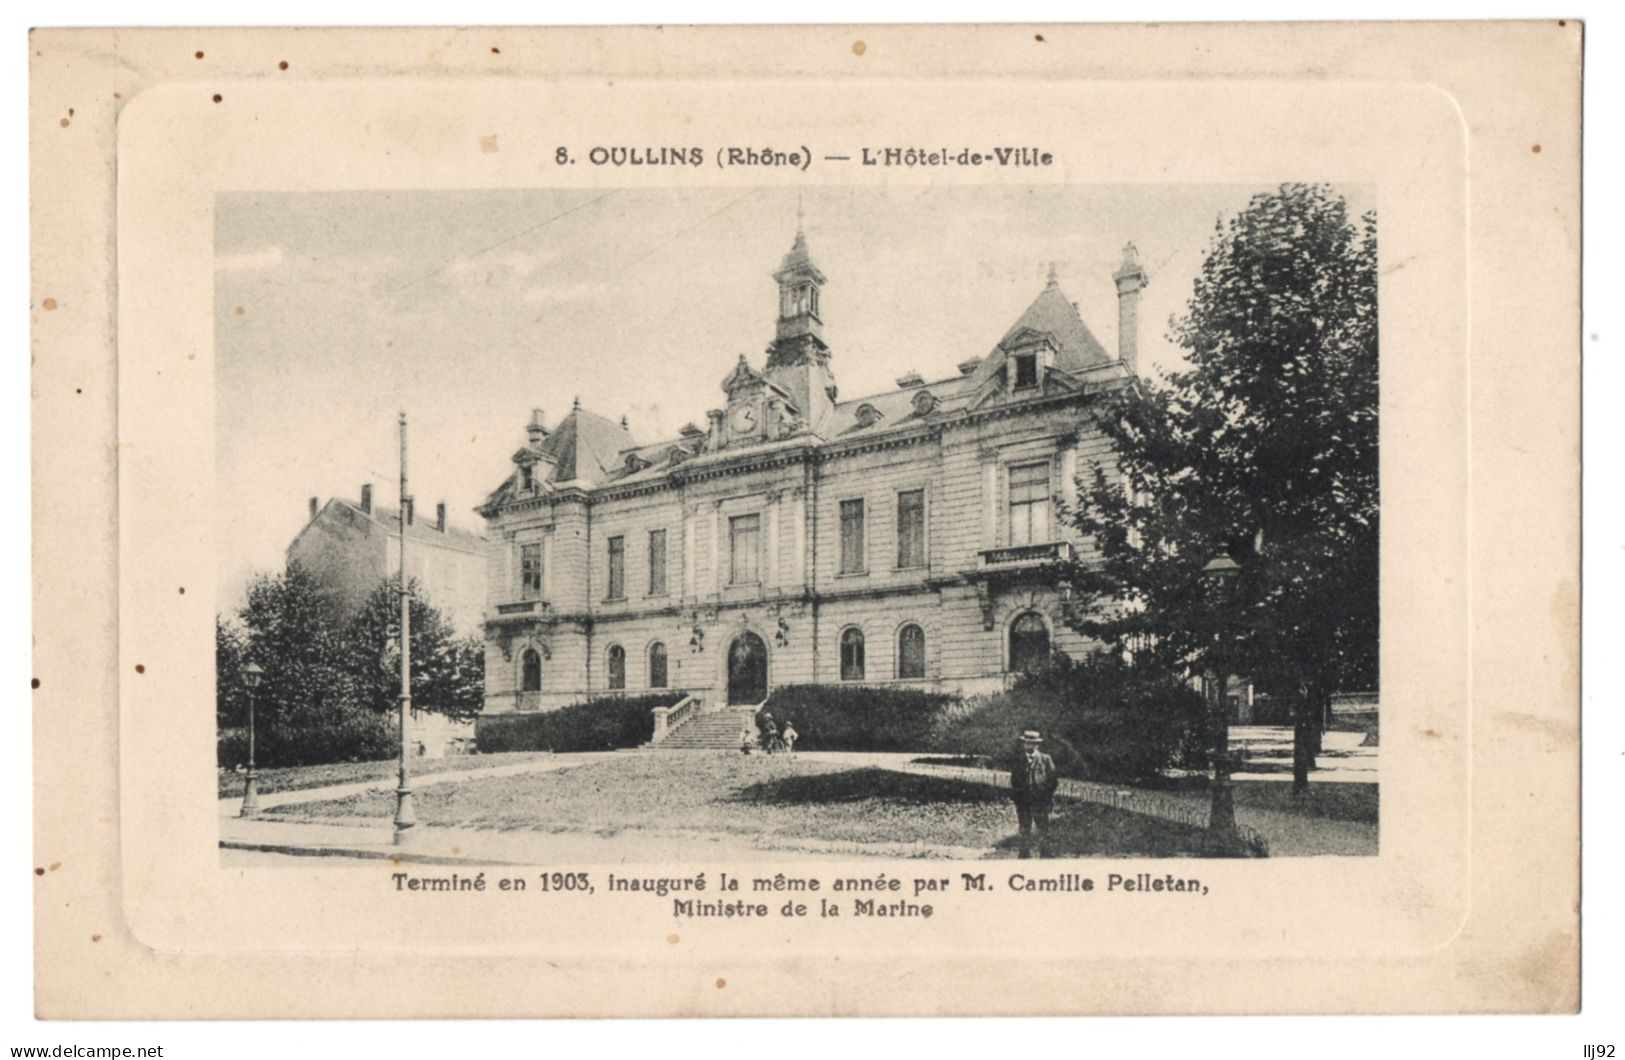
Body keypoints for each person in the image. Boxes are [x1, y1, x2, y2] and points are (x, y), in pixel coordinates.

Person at [1010, 730, 1058, 859]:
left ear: (1037, 745)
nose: (1029, 746)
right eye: (1027, 743)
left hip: (1040, 801)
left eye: (1032, 744)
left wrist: (1047, 797)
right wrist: (1018, 798)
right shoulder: (1018, 760)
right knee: (1025, 828)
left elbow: (1053, 780)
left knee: (1043, 828)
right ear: (1024, 744)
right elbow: (1014, 781)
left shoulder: (1045, 759)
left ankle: (1045, 854)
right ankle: (1024, 854)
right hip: (1024, 801)